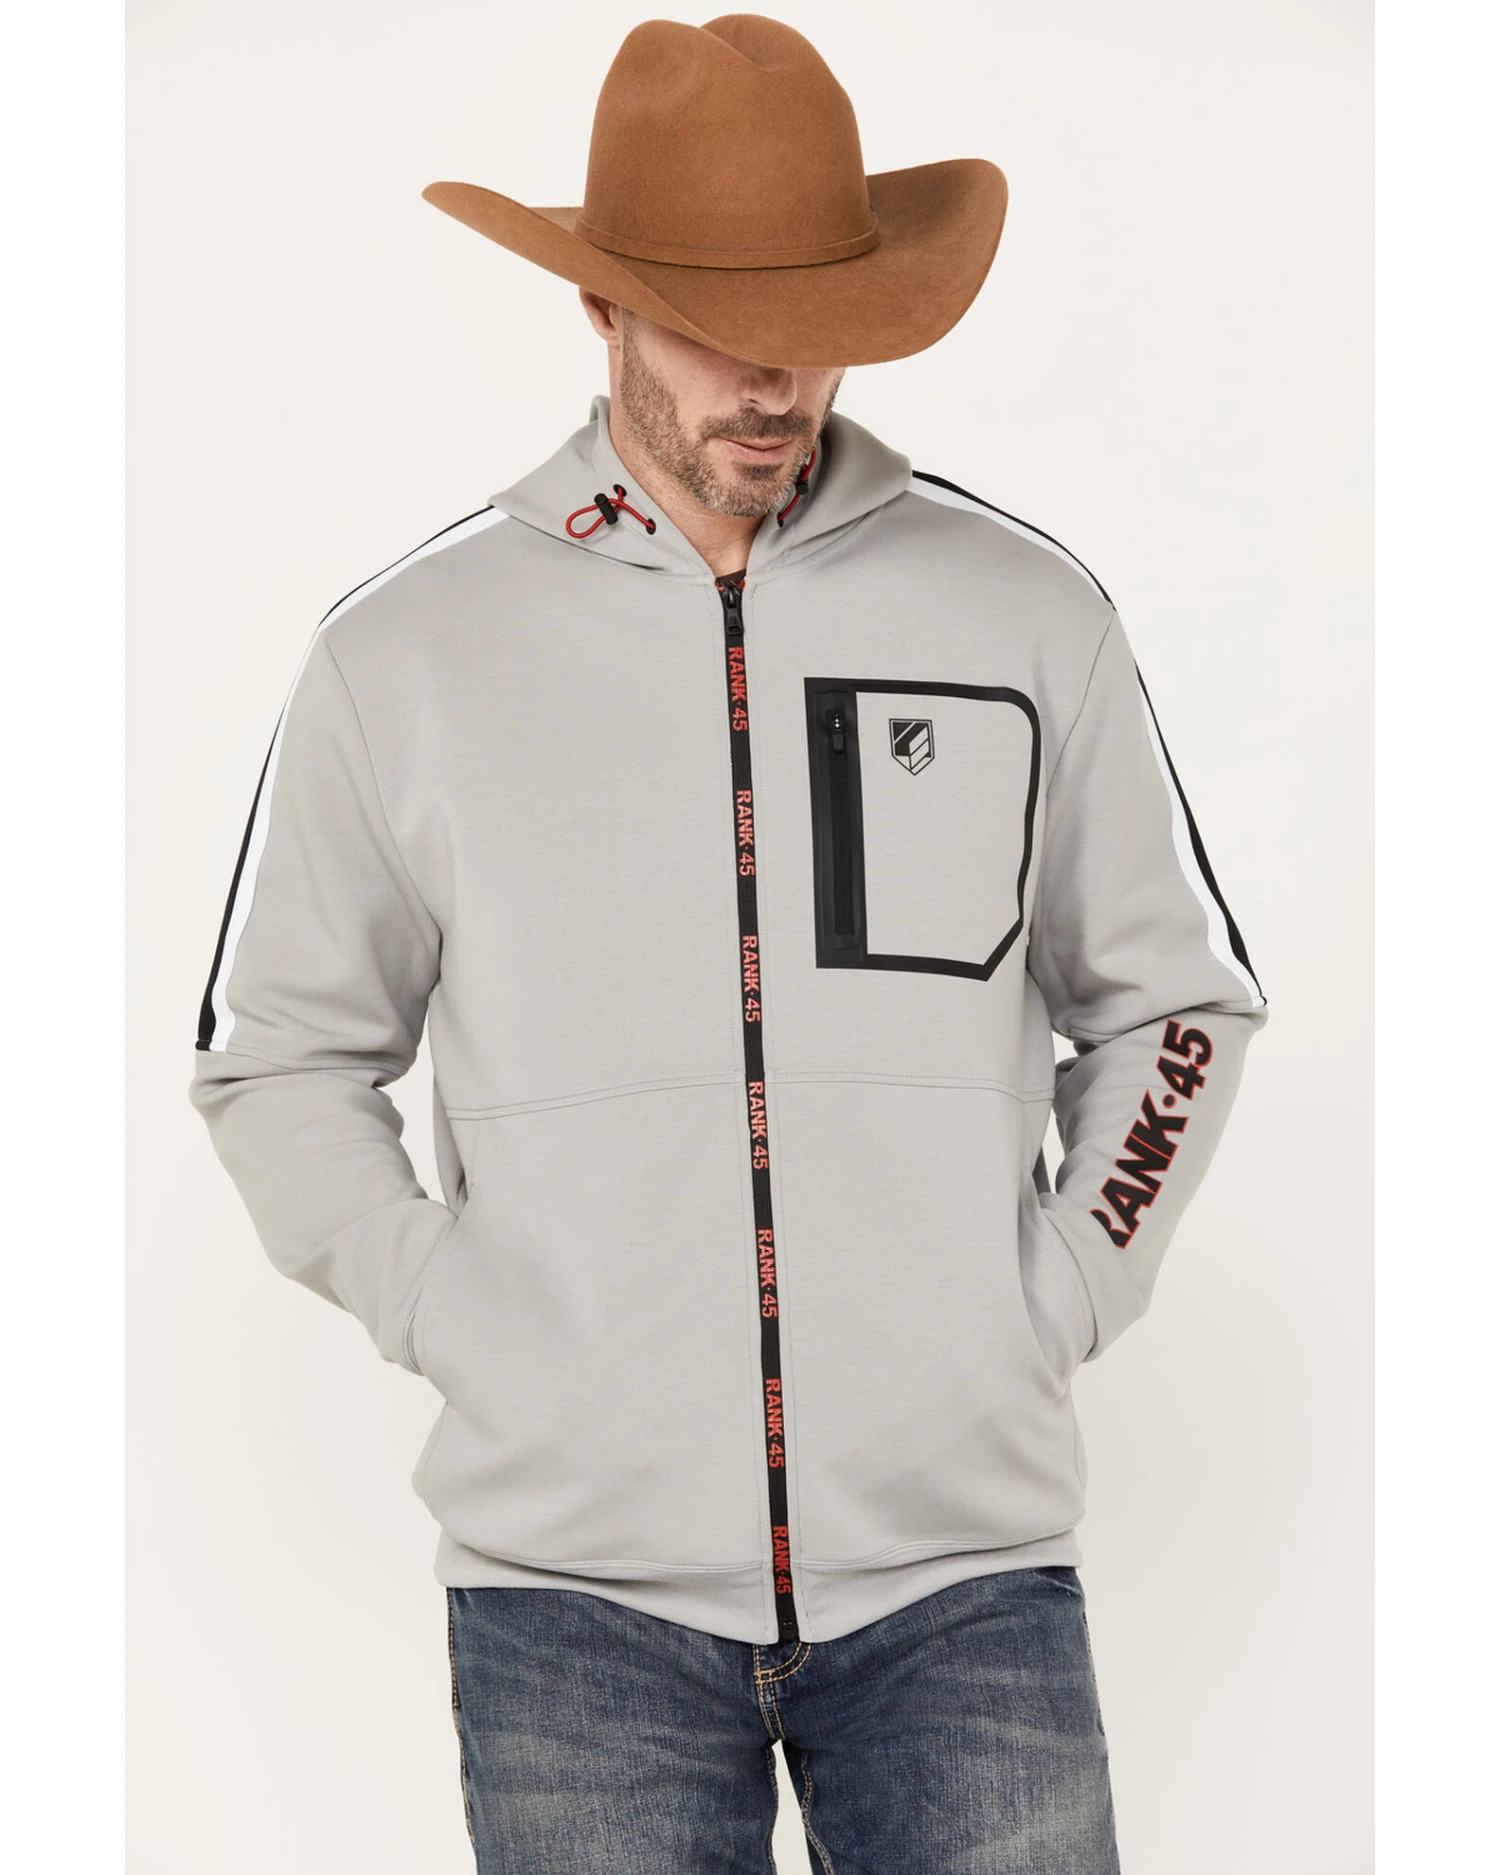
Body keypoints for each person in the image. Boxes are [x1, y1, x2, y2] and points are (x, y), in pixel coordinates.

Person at [188, 15, 1269, 1873]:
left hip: (963, 1586)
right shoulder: (408, 654)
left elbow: (1177, 998)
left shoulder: (1027, 614)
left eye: (820, 319)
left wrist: (1061, 1292)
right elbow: (276, 1051)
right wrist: (454, 1314)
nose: (776, 379)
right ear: (599, 308)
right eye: (711, 323)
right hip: (572, 1603)